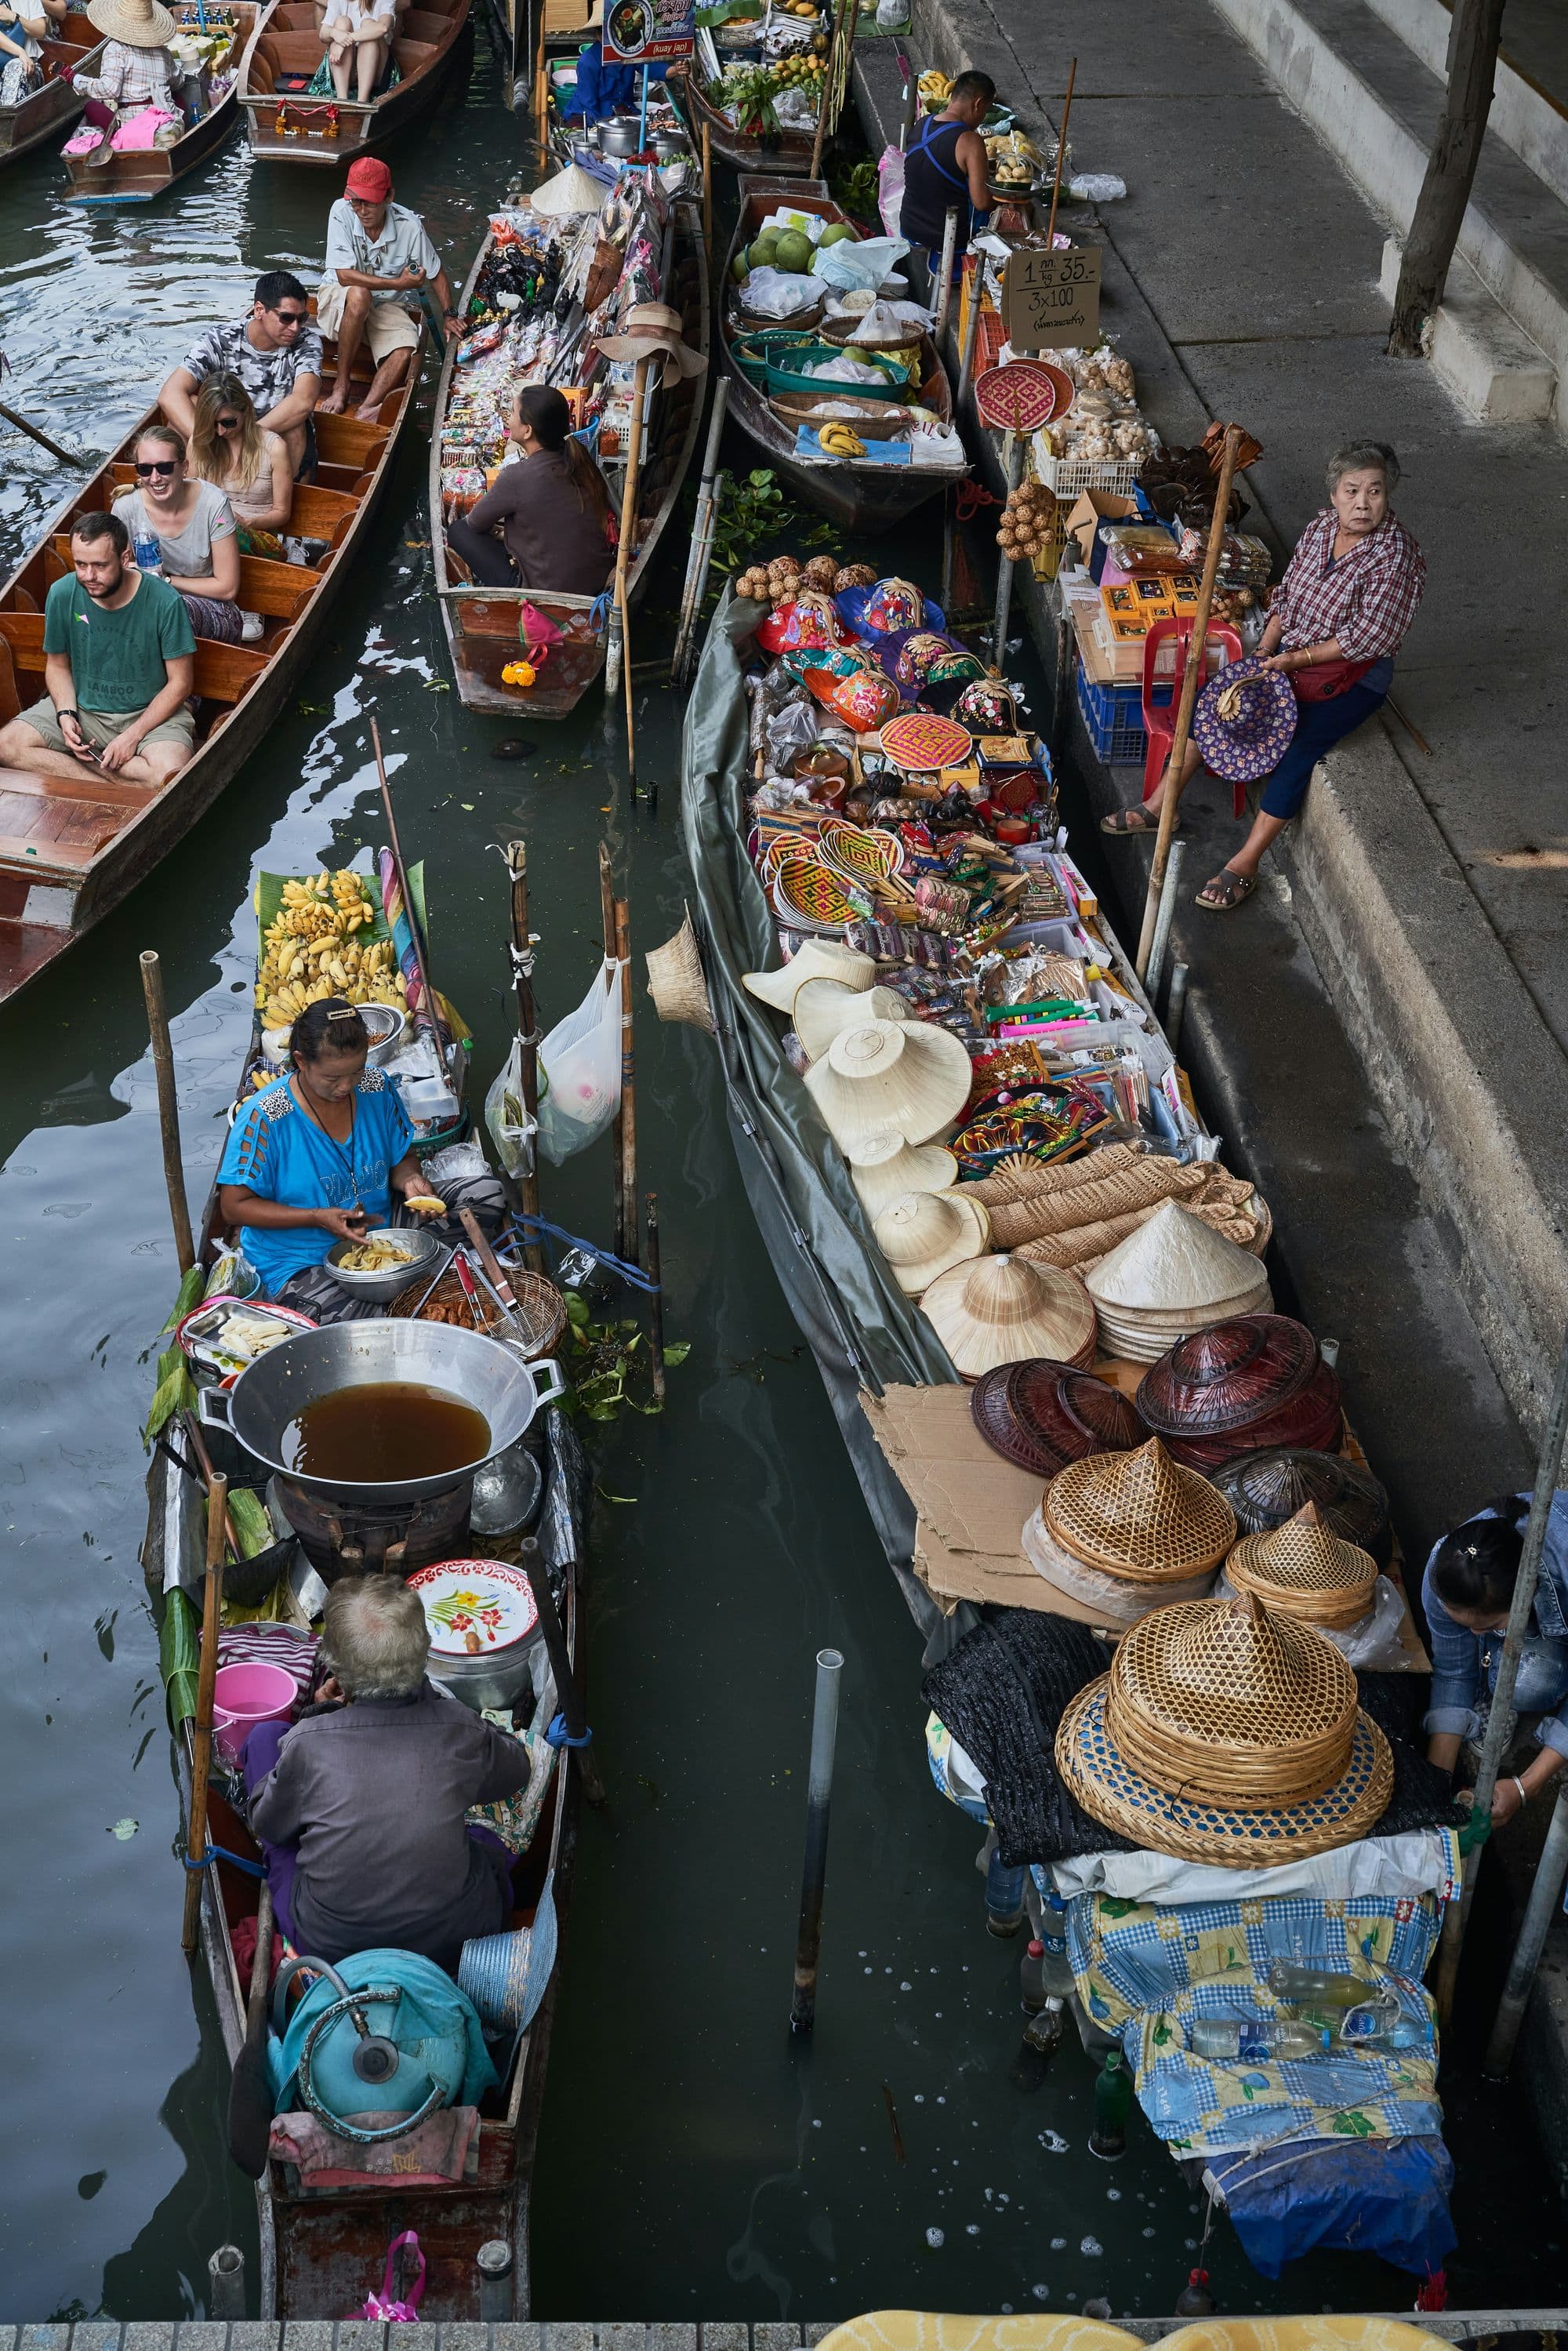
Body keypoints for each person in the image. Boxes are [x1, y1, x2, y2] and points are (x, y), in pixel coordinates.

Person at [1102, 441, 1427, 910]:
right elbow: (1289, 597)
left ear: (1388, 495)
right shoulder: (1320, 529)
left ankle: (1246, 862)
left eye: (1374, 492)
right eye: (1351, 490)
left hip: (1351, 677)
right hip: (1289, 657)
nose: (1362, 503)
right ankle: (1159, 809)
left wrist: (1293, 661)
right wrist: (1265, 652)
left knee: (1297, 749)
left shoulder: (1393, 555)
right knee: (1217, 702)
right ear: (1334, 494)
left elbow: (1368, 638)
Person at [244, 1575, 529, 1969]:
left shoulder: (307, 1743)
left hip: (334, 1946)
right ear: (424, 1652)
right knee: (481, 1843)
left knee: (264, 1744)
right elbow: (516, 1770)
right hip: (455, 1939)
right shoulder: (460, 1728)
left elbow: (270, 1826)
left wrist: (324, 1712)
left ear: (337, 1670)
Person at [216, 997, 448, 1317]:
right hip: (301, 1257)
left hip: (377, 1228)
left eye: (356, 1071)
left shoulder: (376, 1087)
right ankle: (404, 1287)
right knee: (372, 1323)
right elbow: (232, 1207)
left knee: (485, 1195)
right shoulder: (266, 1117)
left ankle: (408, 1278)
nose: (346, 1086)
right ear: (300, 1060)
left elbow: (402, 1157)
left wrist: (410, 1180)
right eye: (332, 1078)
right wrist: (316, 1217)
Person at [0, 510, 194, 785]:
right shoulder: (62, 593)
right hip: (85, 710)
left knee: (167, 775)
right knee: (6, 745)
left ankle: (85, 765)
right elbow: (57, 665)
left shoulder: (165, 601)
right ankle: (107, 785)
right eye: (80, 564)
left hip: (149, 716)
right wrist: (65, 714)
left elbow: (181, 683)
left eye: (100, 566)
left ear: (125, 558)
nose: (89, 575)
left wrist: (132, 736)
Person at [1423, 1493, 1568, 1827]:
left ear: (1527, 1592)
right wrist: (1434, 1788)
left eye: (1487, 1627)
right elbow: (1453, 1671)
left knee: (1527, 1681)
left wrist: (1524, 1786)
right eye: (1464, 1624)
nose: (1473, 1635)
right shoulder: (1446, 1567)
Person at [318, 156, 460, 421]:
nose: (361, 210)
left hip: (385, 305)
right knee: (359, 295)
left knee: (407, 348)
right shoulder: (341, 211)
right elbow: (345, 276)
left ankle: (365, 410)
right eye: (356, 202)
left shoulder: (410, 225)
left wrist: (449, 315)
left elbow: (436, 272)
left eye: (369, 202)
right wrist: (399, 283)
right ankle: (341, 384)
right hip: (340, 297)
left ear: (389, 197)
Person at [446, 383, 615, 594]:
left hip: (546, 591)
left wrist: (500, 531)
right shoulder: (582, 463)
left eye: (514, 412)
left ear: (527, 430)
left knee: (459, 531)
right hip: (596, 580)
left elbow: (475, 523)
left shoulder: (516, 476)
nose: (509, 417)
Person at [160, 271, 323, 480]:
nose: (295, 327)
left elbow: (303, 402)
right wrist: (207, 438)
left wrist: (246, 435)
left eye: (302, 319)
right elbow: (170, 394)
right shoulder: (219, 339)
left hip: (269, 432)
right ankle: (188, 490)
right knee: (185, 409)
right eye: (286, 318)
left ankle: (278, 502)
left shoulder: (307, 343)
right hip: (223, 430)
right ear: (259, 310)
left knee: (295, 427)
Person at [111, 421, 244, 642]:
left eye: (164, 468)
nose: (155, 479)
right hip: (148, 606)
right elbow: (124, 575)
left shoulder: (214, 504)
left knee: (172, 610)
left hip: (212, 608)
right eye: (145, 469)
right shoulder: (125, 507)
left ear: (184, 467)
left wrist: (166, 580)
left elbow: (228, 588)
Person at [902, 69, 993, 285]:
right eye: (985, 111)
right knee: (993, 207)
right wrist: (1009, 199)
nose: (981, 119)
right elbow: (982, 202)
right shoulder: (970, 141)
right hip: (946, 237)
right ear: (978, 104)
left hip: (910, 226)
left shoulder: (922, 123)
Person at [189, 371, 292, 549]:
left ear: (245, 411)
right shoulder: (199, 443)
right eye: (213, 424)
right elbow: (191, 499)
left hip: (258, 536)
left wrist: (247, 522)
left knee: (229, 529)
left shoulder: (275, 448)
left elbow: (282, 512)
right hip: (211, 531)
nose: (221, 432)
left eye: (228, 423)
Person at [69, 0, 178, 145]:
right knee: (177, 96)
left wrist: (74, 78)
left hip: (136, 128)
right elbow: (179, 81)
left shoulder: (116, 48)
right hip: (167, 121)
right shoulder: (163, 52)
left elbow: (109, 90)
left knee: (91, 107)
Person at [314, 0, 397, 104]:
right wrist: (334, 33)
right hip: (344, 66)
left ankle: (362, 101)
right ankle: (342, 99)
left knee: (369, 25)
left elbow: (383, 27)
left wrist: (345, 40)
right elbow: (323, 33)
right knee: (342, 22)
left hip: (375, 68)